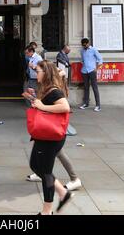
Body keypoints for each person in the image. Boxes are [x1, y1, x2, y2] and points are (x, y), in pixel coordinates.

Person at [27, 63, 82, 192]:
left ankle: (71, 180)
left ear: (46, 73)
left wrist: (42, 106)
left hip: (52, 130)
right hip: (48, 129)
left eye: (38, 71)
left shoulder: (54, 90)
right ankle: (43, 173)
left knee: (53, 156)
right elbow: (45, 102)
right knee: (56, 154)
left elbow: (65, 107)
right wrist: (34, 97)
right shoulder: (47, 87)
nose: (36, 73)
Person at [79, 38, 103, 112]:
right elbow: (82, 60)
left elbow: (100, 59)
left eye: (85, 45)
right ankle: (86, 103)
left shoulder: (94, 50)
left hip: (92, 71)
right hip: (84, 71)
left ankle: (98, 105)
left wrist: (97, 68)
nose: (84, 47)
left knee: (94, 88)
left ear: (88, 43)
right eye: (83, 45)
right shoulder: (82, 51)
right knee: (86, 88)